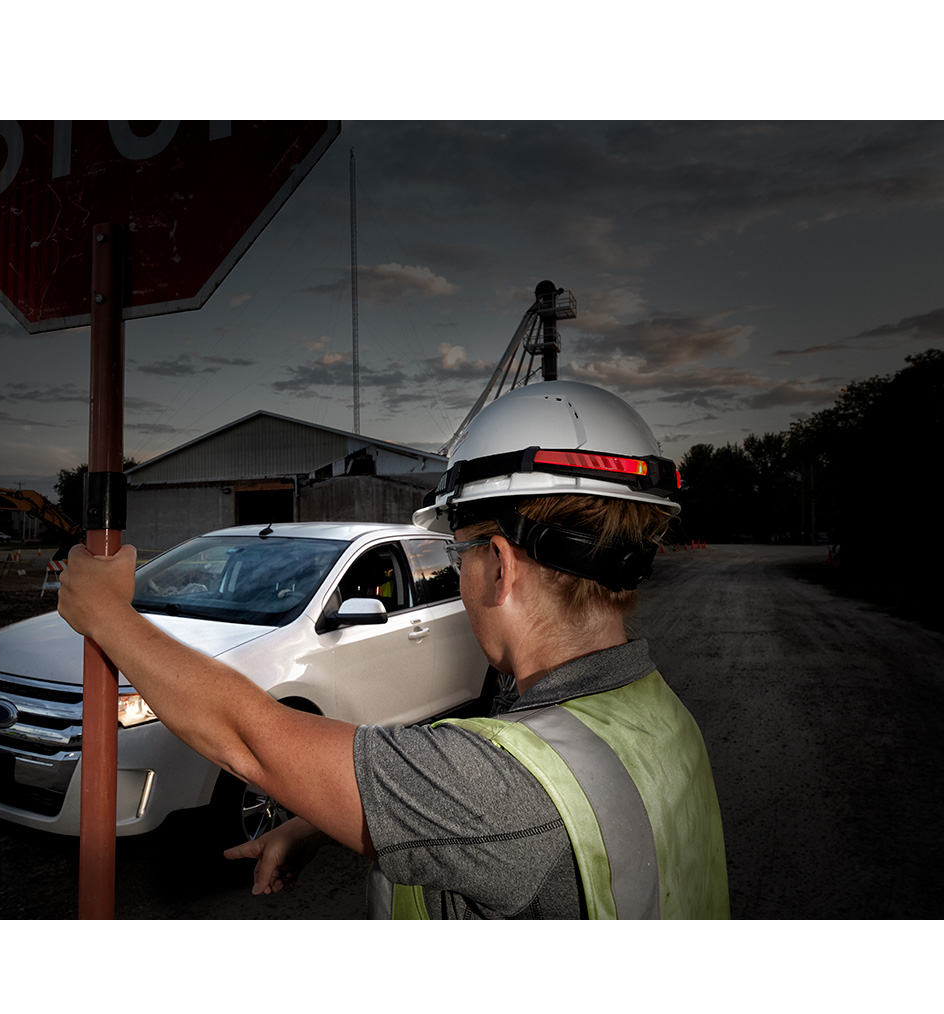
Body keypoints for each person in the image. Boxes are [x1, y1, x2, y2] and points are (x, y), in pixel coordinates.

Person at [58, 381, 730, 919]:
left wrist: (106, 615)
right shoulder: (654, 717)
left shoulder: (505, 789)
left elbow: (249, 736)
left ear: (499, 566)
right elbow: (493, 813)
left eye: (458, 556)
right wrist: (325, 822)